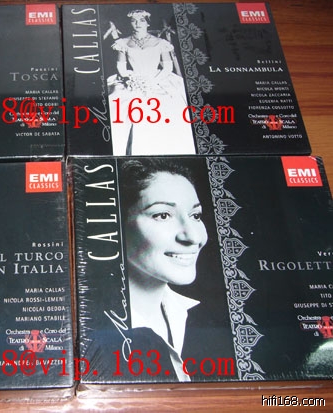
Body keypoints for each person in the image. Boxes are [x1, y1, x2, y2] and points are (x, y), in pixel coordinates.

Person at [120, 159, 207, 381]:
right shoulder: (99, 330)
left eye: (196, 216)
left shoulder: (194, 316)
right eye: (162, 215)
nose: (193, 237)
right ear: (116, 223)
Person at [107, 10, 195, 155]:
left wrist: (152, 81)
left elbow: (167, 67)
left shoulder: (161, 43)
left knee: (170, 107)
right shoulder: (123, 43)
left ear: (148, 23)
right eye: (134, 21)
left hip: (158, 79)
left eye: (142, 20)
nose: (138, 24)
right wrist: (130, 78)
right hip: (134, 79)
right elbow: (121, 67)